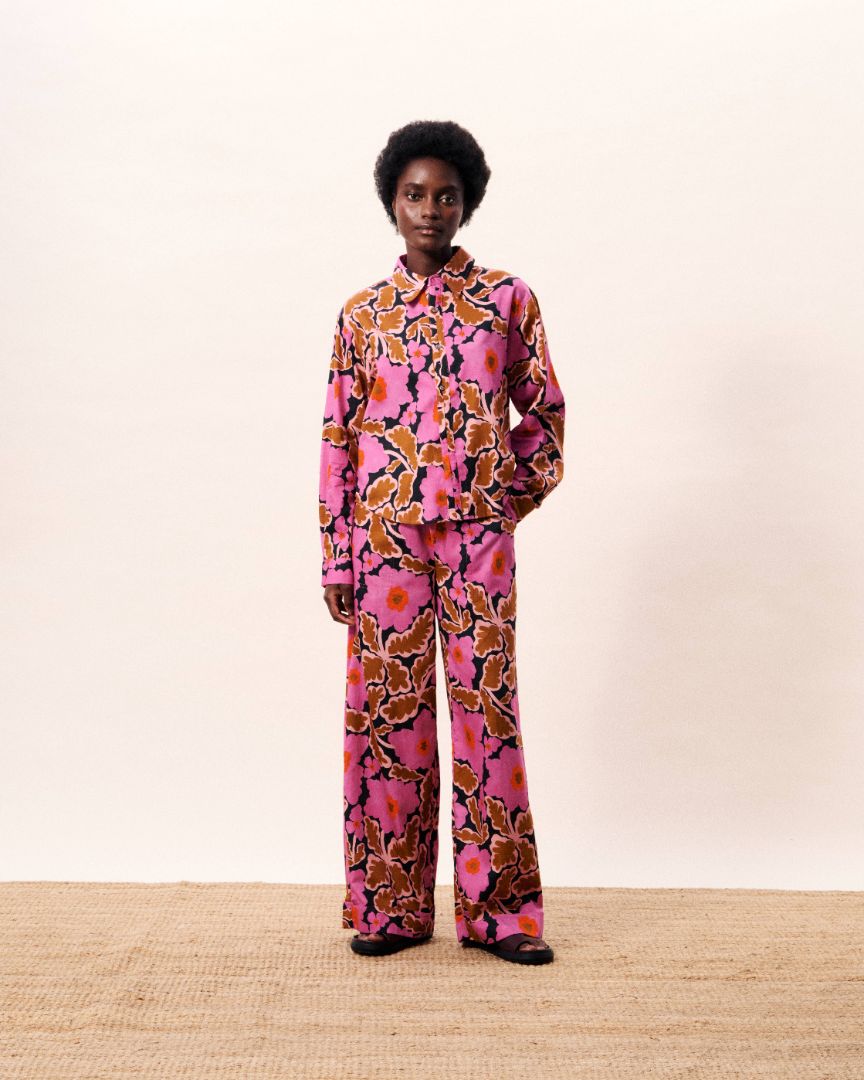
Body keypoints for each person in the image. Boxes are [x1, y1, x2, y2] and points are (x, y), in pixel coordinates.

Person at [318, 120, 565, 965]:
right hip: (384, 545)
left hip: (476, 544)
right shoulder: (362, 316)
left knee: (487, 715)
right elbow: (339, 438)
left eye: (446, 196)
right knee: (391, 718)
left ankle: (501, 913)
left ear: (467, 204)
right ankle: (391, 907)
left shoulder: (507, 300)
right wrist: (338, 553)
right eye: (415, 195)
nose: (430, 209)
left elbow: (544, 414)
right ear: (392, 202)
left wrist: (502, 500)